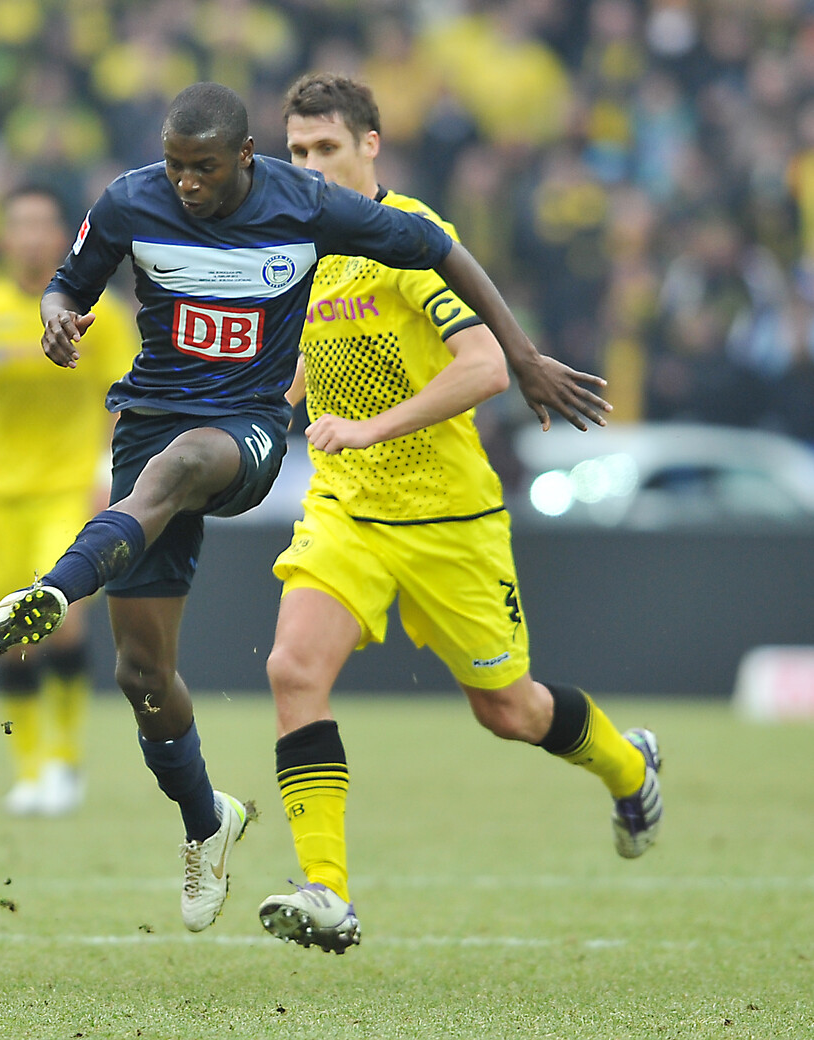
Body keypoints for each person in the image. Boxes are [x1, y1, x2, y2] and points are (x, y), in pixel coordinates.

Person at [0, 82, 610, 934]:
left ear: (244, 158)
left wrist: (523, 356)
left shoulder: (312, 209)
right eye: (175, 166)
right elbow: (67, 283)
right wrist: (58, 321)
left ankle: (56, 587)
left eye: (204, 168)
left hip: (255, 436)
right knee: (143, 675)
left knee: (186, 465)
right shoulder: (130, 200)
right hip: (166, 427)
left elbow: (444, 252)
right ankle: (210, 822)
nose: (187, 183)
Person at [254, 73, 661, 955]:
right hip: (348, 512)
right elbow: (296, 372)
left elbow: (483, 367)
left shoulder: (412, 238)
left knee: (508, 711)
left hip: (447, 519)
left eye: (327, 148)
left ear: (372, 146)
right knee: (293, 670)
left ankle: (629, 766)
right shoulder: (294, 251)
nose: (311, 167)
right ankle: (325, 891)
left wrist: (372, 428)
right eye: (297, 152)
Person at [0, 185, 137, 816]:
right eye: (18, 224)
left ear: (62, 239)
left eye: (41, 225)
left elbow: (126, 397)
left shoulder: (100, 315)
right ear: (3, 239)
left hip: (68, 491)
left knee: (57, 618)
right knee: (9, 637)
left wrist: (107, 473)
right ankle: (27, 769)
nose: (29, 236)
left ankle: (63, 761)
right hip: (0, 498)